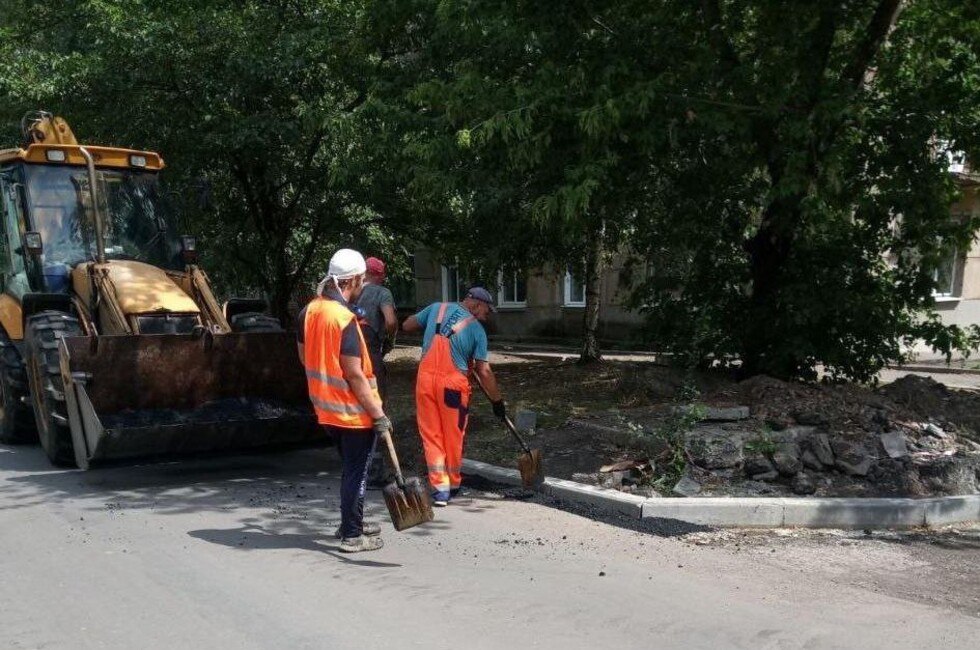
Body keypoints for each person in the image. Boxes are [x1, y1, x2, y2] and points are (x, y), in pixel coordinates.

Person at [297, 248, 391, 553]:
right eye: (361, 279)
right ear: (350, 281)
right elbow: (354, 374)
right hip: (352, 412)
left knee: (351, 469)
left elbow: (304, 357)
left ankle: (353, 521)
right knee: (357, 473)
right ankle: (352, 535)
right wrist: (377, 414)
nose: (363, 285)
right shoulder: (344, 319)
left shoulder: (309, 311)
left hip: (325, 408)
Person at [402, 287, 506, 506]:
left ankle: (440, 489)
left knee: (431, 435)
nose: (487, 316)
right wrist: (497, 401)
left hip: (425, 382)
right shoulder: (477, 330)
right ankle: (453, 483)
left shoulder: (436, 308)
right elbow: (484, 371)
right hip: (453, 387)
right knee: (453, 435)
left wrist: (430, 326)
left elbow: (407, 325)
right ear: (476, 304)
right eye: (487, 310)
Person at [356, 256, 398, 402]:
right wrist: (390, 339)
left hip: (350, 347)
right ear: (378, 275)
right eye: (382, 274)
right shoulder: (382, 292)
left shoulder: (352, 290)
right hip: (371, 349)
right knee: (376, 395)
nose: (383, 277)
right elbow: (390, 321)